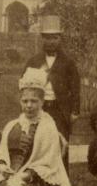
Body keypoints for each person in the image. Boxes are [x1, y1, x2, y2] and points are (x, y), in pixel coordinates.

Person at [23, 16, 82, 144]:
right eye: (47, 38)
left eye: (55, 37)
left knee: (60, 144)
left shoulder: (68, 62)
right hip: (39, 108)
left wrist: (75, 111)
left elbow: (75, 88)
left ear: (60, 39)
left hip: (60, 110)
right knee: (39, 143)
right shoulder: (34, 61)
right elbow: (23, 86)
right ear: (42, 39)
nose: (51, 42)